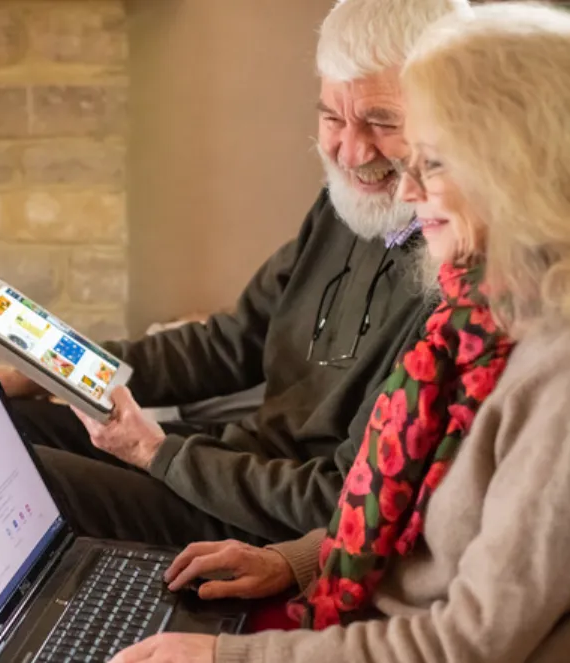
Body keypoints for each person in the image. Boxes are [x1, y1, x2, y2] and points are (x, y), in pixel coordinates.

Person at [112, 3, 570, 660]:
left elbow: (463, 644)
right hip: (344, 596)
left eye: (432, 162)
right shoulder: (480, 320)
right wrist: (298, 560)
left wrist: (222, 658)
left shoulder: (550, 376)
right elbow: (418, 526)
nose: (405, 191)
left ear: (513, 169)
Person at [0, 0, 469, 548]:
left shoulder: (449, 281)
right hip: (229, 463)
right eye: (332, 118)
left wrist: (154, 452)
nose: (350, 151)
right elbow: (234, 342)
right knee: (6, 424)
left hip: (261, 520)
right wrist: (60, 363)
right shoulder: (347, 205)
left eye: (382, 122)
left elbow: (336, 500)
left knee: (19, 477)